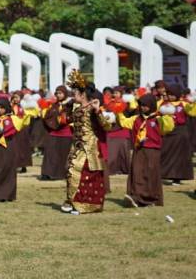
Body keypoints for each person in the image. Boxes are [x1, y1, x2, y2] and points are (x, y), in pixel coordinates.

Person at [62, 71, 109, 215]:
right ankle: (72, 201)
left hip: (90, 147)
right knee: (69, 169)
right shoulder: (77, 108)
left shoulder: (93, 108)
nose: (72, 95)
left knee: (83, 173)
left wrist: (98, 111)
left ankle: (86, 204)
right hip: (76, 146)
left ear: (82, 94)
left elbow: (107, 126)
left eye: (75, 93)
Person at [119, 93, 175, 207]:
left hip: (152, 151)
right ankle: (136, 197)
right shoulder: (136, 118)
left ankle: (151, 198)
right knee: (137, 173)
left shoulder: (159, 118)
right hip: (139, 150)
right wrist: (118, 111)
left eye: (145, 105)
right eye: (141, 105)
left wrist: (168, 116)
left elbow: (168, 128)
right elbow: (124, 122)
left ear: (151, 105)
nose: (143, 107)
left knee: (151, 174)